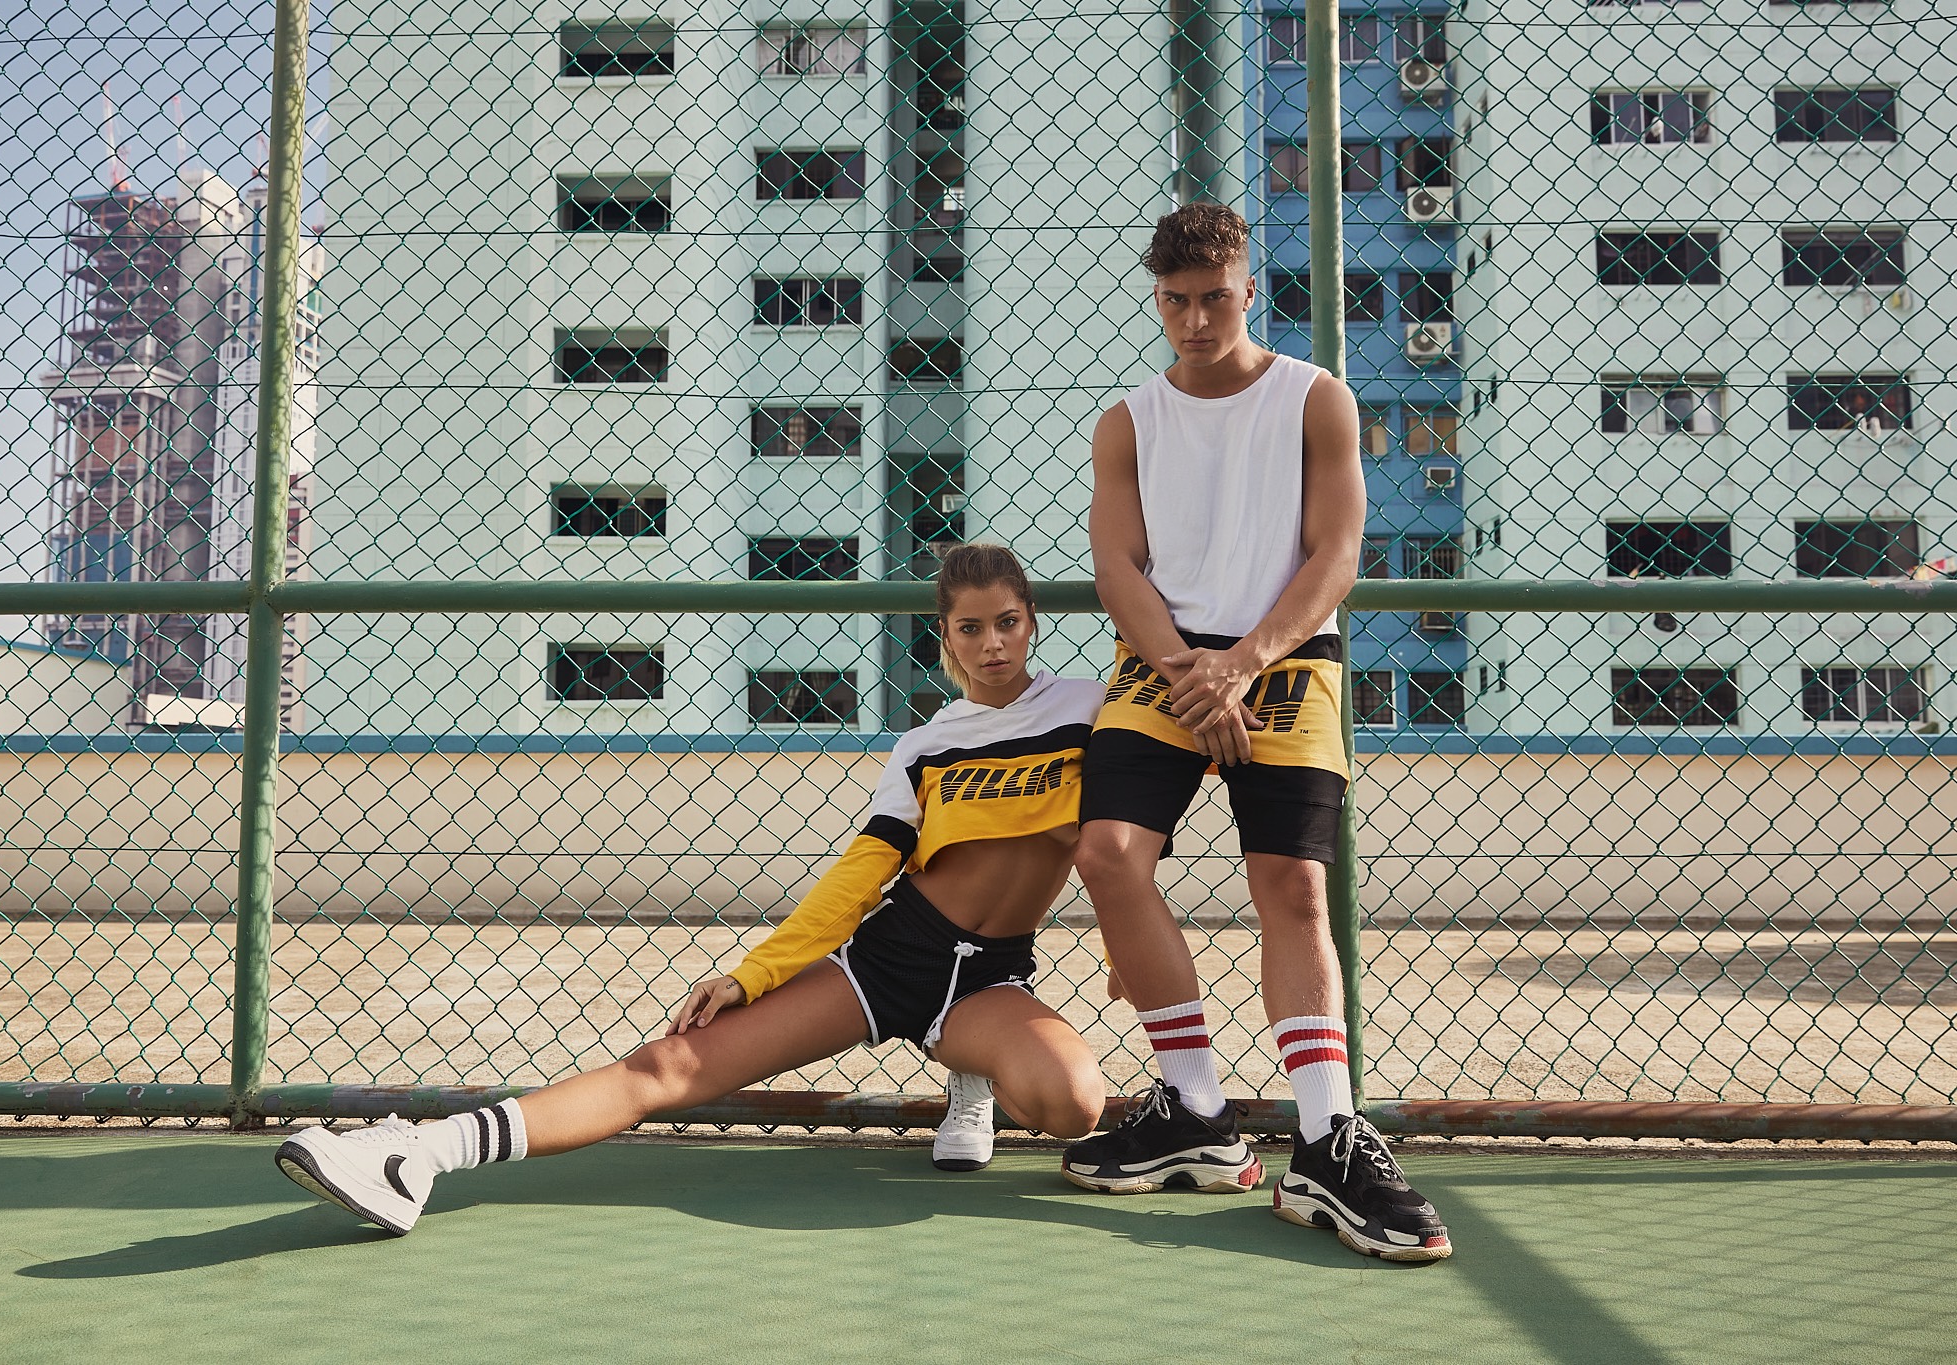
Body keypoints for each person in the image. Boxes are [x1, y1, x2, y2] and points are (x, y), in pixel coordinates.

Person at [275, 544, 1109, 1235]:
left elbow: (1123, 838)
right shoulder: (925, 745)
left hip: (988, 980)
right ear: (945, 635)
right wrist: (755, 973)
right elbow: (860, 875)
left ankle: (967, 1069)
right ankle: (418, 1153)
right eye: (972, 627)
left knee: (1073, 1104)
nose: (993, 643)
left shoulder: (1086, 710)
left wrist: (1127, 947)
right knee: (669, 1064)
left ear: (1032, 619)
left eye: (1007, 621)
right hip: (888, 960)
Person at [1059, 204, 1452, 1262]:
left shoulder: (1314, 397)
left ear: (1247, 291)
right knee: (1106, 853)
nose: (1194, 321)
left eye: (1213, 299)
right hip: (1164, 664)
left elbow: (1336, 553)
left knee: (1293, 885)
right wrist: (1190, 672)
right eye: (1175, 302)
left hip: (1282, 657)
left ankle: (1326, 1138)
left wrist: (1241, 662)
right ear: (1157, 300)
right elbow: (1116, 568)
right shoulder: (1128, 422)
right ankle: (1194, 1108)